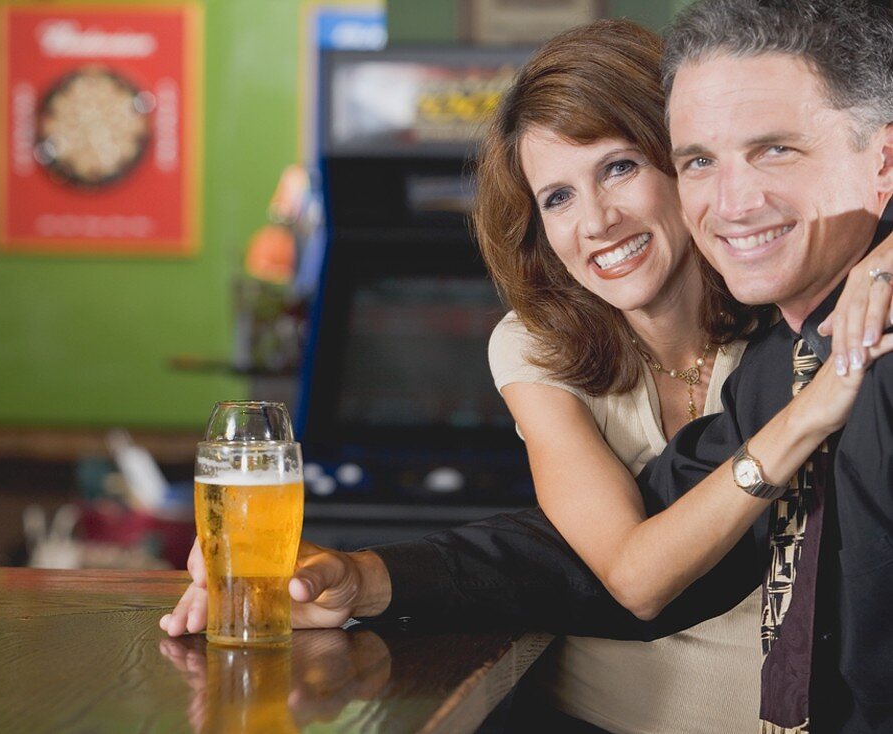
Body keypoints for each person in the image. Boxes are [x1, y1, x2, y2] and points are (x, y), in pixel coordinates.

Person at [163, 12, 893, 733]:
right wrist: (359, 577)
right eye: (558, 198)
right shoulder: (545, 345)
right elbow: (609, 570)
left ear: (676, 160)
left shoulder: (795, 302)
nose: (597, 220)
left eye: (619, 167)